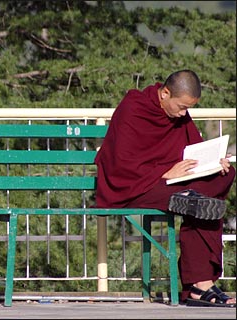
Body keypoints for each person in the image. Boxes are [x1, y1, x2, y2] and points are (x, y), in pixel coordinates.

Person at [94, 69, 236, 308]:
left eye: (188, 109)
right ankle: (200, 285)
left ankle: (198, 286)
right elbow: (120, 163)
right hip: (134, 186)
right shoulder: (133, 108)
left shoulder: (178, 116)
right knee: (201, 203)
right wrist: (163, 172)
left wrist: (215, 163)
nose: (183, 113)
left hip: (171, 184)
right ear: (165, 93)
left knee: (222, 178)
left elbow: (194, 150)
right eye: (181, 107)